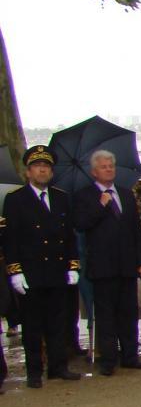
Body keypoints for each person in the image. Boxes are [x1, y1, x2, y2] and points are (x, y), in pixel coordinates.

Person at [3, 146, 82, 388]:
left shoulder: (61, 197)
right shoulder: (16, 200)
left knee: (59, 323)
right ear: (28, 172)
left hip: (58, 271)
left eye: (46, 167)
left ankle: (58, 367)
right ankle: (34, 371)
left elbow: (69, 235)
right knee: (33, 327)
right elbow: (10, 240)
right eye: (37, 166)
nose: (42, 170)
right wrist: (15, 271)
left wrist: (73, 265)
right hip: (32, 273)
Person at [73, 150, 141, 376]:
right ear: (94, 171)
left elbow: (136, 230)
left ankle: (130, 356)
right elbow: (81, 224)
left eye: (111, 166)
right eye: (104, 167)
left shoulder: (126, 194)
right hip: (102, 267)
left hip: (127, 265)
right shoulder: (85, 196)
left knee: (128, 313)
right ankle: (108, 359)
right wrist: (101, 205)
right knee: (106, 316)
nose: (109, 169)